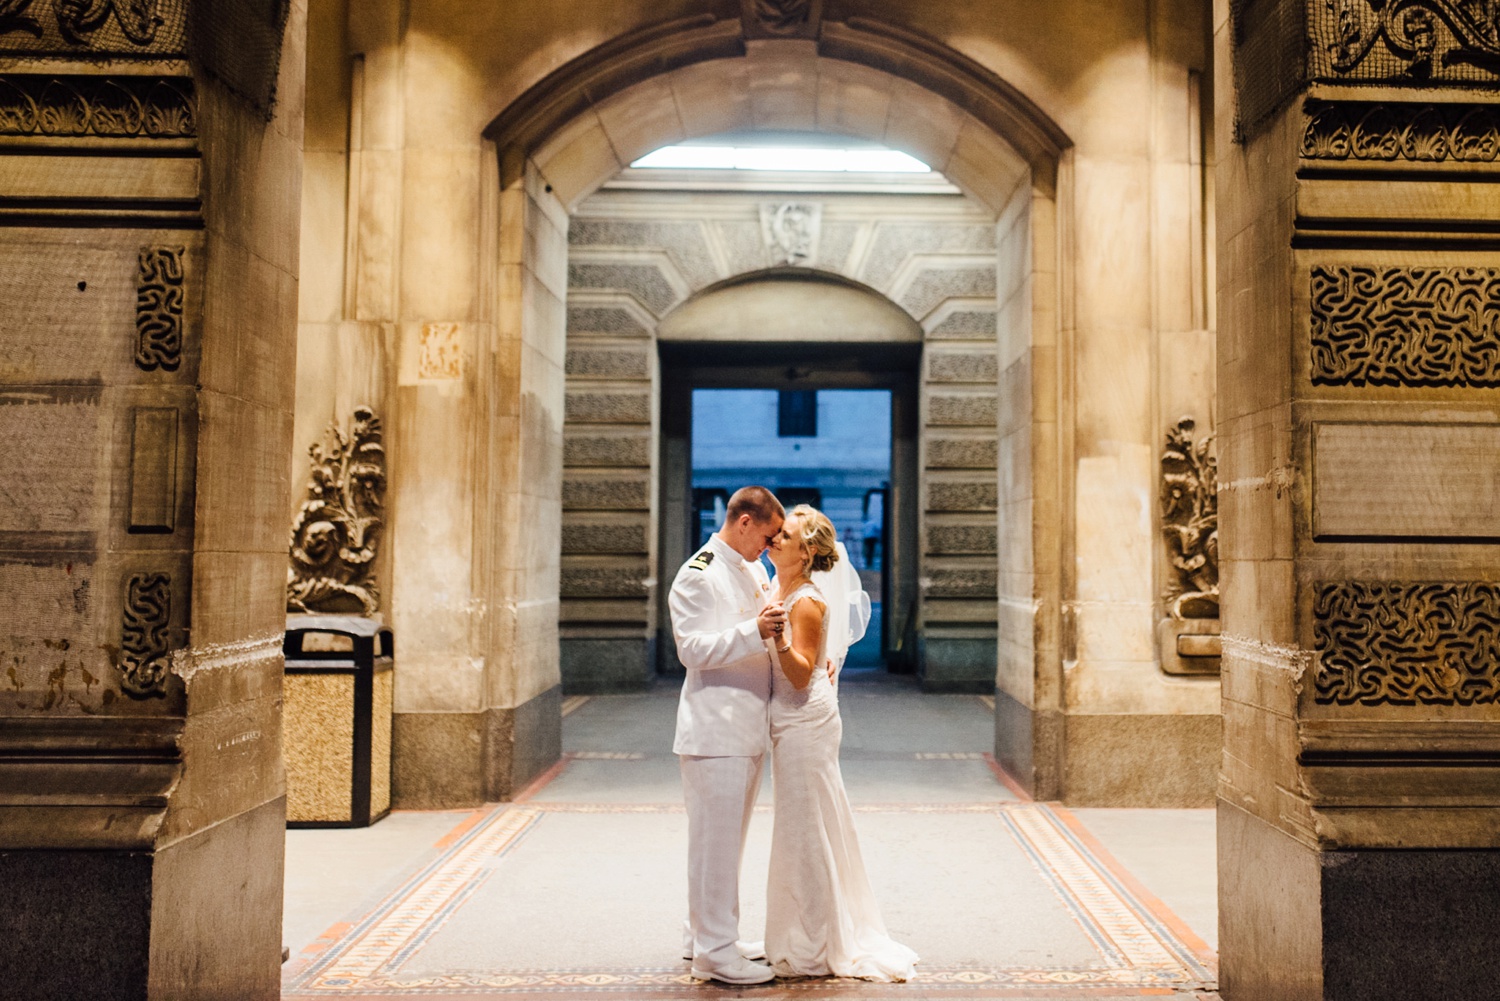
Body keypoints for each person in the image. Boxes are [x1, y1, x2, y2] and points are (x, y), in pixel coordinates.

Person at [763, 504, 919, 981]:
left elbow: (798, 673)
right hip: (790, 720)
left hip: (806, 719)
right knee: (801, 824)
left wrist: (777, 636)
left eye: (783, 536)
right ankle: (799, 928)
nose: (773, 540)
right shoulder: (777, 586)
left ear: (807, 551)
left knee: (808, 827)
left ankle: (819, 940)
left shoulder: (806, 601)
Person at [668, 486, 786, 985]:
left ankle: (710, 935)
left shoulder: (753, 567)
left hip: (746, 725)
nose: (770, 545)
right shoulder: (698, 574)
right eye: (766, 535)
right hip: (715, 729)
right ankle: (715, 954)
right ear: (742, 522)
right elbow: (691, 650)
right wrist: (753, 632)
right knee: (713, 844)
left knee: (726, 844)